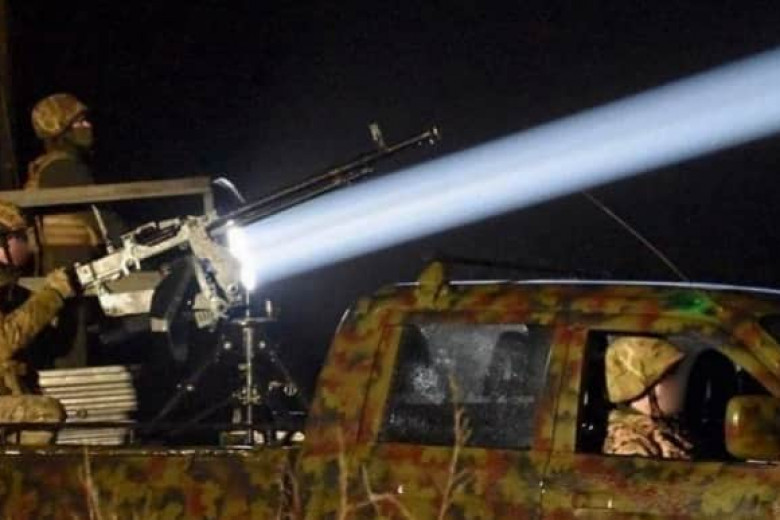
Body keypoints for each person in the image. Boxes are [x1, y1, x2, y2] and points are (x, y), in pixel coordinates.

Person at [0, 200, 76, 444]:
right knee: (46, 413)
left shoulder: (10, 291)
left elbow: (56, 346)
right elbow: (3, 341)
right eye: (21, 238)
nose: (30, 247)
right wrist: (53, 294)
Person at [603, 335, 694, 459]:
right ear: (646, 388)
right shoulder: (630, 445)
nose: (678, 383)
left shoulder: (661, 427)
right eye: (670, 375)